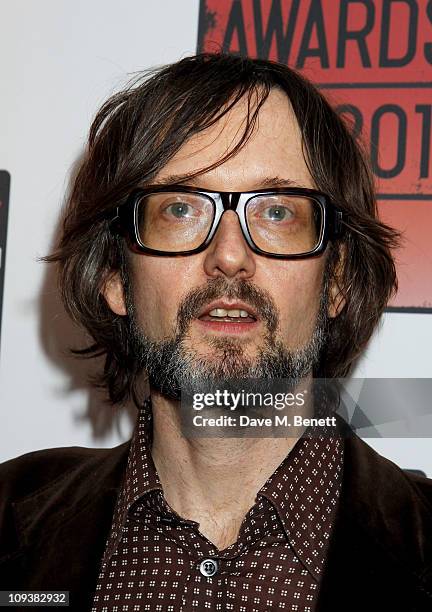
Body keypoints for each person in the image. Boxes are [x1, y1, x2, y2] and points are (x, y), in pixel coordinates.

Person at [1, 53, 432, 612]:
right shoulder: (10, 523)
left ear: (337, 281)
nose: (229, 257)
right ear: (113, 276)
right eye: (180, 209)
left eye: (278, 212)